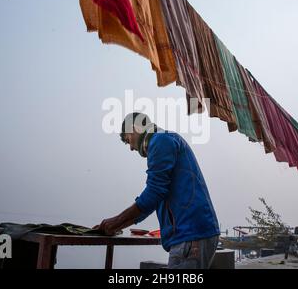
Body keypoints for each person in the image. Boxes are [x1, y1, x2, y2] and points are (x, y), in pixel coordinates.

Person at [94, 113, 220, 269]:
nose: (132, 148)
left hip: (190, 234)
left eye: (128, 141)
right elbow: (153, 199)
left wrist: (115, 220)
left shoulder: (161, 140)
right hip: (192, 234)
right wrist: (115, 226)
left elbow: (154, 192)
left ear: (134, 129)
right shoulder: (163, 140)